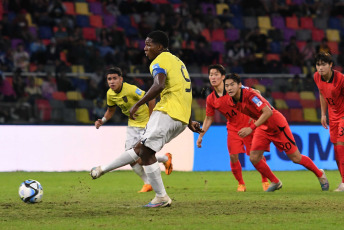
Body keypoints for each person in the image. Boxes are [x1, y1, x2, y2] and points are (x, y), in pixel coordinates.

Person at [91, 31, 202, 207]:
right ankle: (102, 169)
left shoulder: (159, 61)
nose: (145, 48)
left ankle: (161, 197)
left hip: (166, 112)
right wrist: (188, 121)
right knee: (140, 149)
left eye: (149, 44)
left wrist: (138, 104)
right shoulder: (178, 62)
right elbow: (181, 93)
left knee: (145, 152)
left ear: (159, 47)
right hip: (180, 116)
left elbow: (158, 85)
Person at [224, 73, 329, 192]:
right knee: (254, 157)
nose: (229, 88)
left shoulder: (249, 95)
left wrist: (251, 127)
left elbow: (267, 112)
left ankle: (320, 174)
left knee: (296, 158)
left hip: (277, 125)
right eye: (227, 85)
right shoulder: (231, 100)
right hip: (262, 127)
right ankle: (275, 181)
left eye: (232, 85)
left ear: (239, 85)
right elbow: (257, 92)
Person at [91, 67, 173, 193]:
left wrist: (151, 119)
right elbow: (110, 110)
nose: (112, 81)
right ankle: (149, 181)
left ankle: (165, 160)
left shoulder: (131, 89)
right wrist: (102, 120)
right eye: (109, 79)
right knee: (131, 158)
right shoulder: (110, 94)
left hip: (145, 125)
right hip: (132, 126)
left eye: (114, 78)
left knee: (140, 158)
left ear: (121, 79)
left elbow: (151, 98)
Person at [197, 64, 270, 192]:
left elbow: (255, 93)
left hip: (248, 125)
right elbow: (209, 118)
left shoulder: (234, 89)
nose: (213, 77)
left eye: (216, 74)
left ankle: (265, 180)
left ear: (223, 77)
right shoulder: (211, 99)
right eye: (211, 75)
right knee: (233, 156)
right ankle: (241, 184)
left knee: (256, 156)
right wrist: (201, 134)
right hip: (232, 128)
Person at [313, 52, 344, 192]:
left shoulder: (341, 79)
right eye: (318, 65)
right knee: (337, 153)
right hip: (333, 117)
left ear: (331, 65)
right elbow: (321, 93)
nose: (320, 68)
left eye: (323, 65)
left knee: (340, 147)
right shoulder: (316, 77)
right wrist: (323, 114)